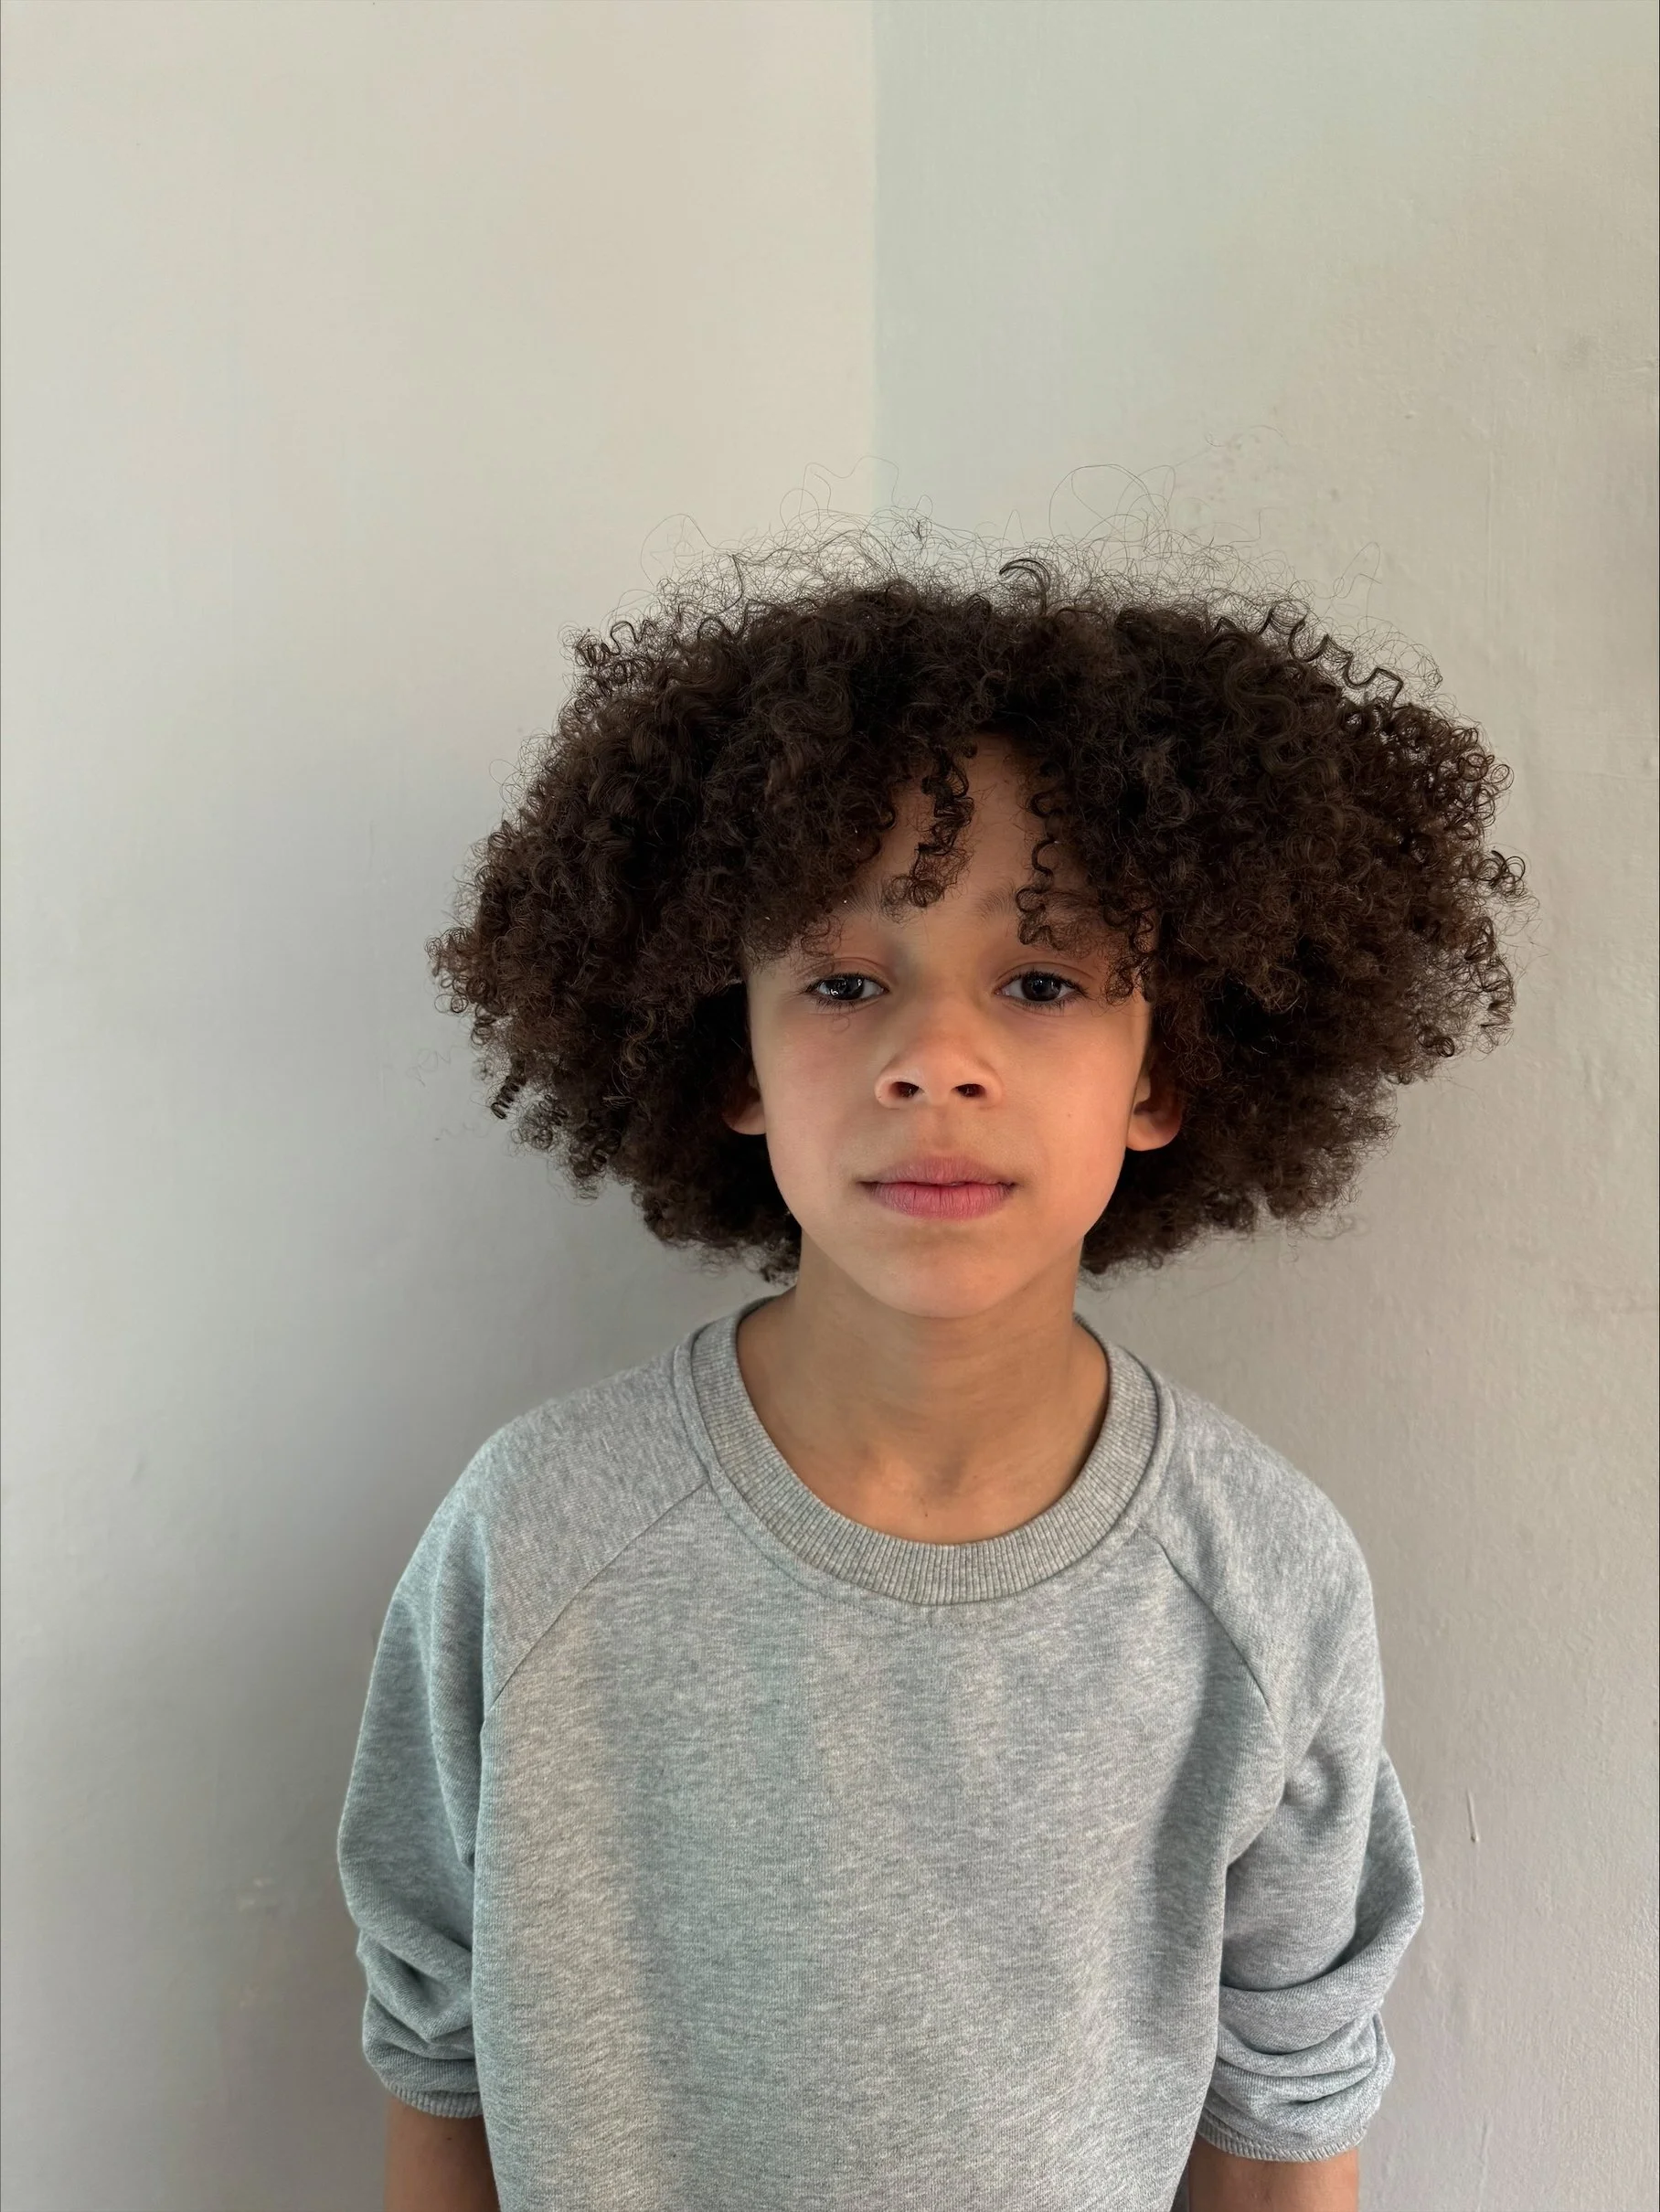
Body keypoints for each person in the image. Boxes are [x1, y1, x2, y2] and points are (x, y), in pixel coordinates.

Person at [336, 529, 1524, 2212]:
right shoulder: (535, 1539)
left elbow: (1280, 2131)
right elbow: (436, 2064)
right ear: (726, 1054)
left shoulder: (1263, 1584)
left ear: (1164, 1070)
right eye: (841, 980)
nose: (933, 1061)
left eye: (1039, 980)